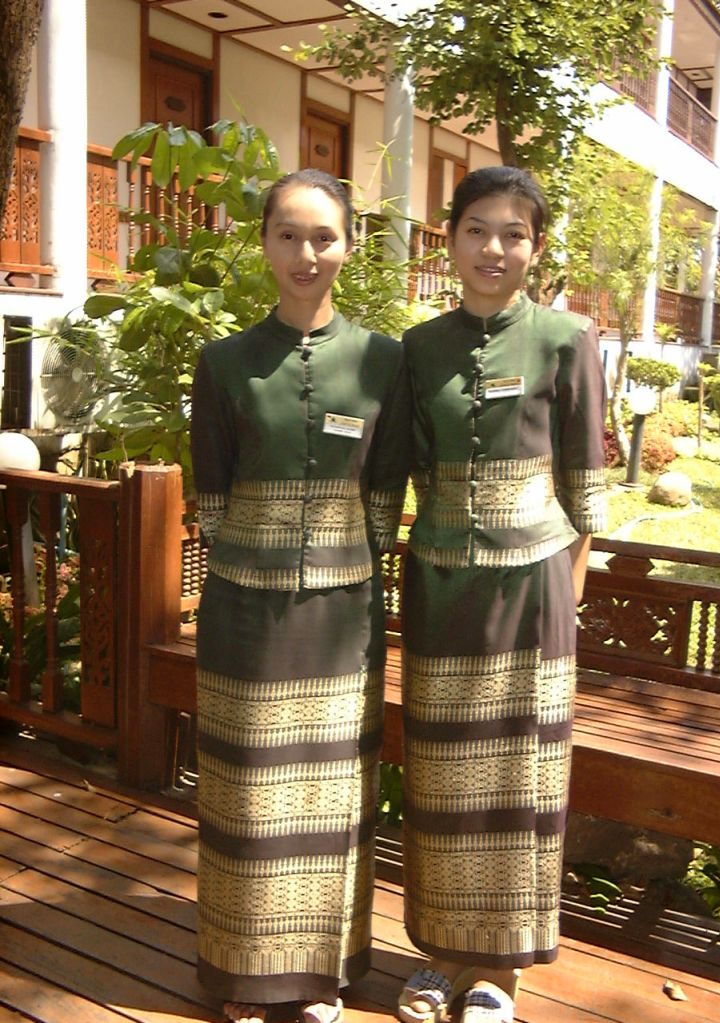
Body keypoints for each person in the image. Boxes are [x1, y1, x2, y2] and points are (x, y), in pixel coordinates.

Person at [191, 168, 410, 1023]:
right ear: (264, 243)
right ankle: (242, 976)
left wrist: (340, 563)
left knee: (329, 795)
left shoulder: (384, 360)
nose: (306, 252)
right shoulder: (224, 363)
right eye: (289, 234)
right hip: (244, 612)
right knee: (245, 789)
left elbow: (385, 494)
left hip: (343, 614)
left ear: (348, 246)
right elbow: (212, 496)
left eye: (324, 236)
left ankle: (319, 975)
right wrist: (264, 557)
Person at [398, 166, 607, 1023]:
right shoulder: (416, 348)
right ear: (447, 238)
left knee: (518, 777)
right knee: (444, 775)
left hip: (534, 591)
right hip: (441, 582)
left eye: (512, 233)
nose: (494, 247)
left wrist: (569, 593)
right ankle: (442, 954)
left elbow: (586, 487)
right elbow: (407, 464)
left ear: (536, 248)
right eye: (476, 228)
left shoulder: (567, 338)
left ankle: (501, 973)